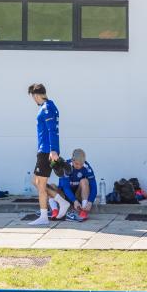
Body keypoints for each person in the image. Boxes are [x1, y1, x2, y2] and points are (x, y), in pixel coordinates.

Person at [27, 83, 61, 226]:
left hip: (46, 151)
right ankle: (61, 202)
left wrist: (53, 150)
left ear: (36, 95)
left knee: (40, 185)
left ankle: (43, 217)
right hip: (44, 149)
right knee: (35, 181)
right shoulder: (49, 106)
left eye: (32, 97)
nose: (33, 100)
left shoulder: (46, 109)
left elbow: (52, 130)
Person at [51, 148, 97, 222]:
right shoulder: (66, 166)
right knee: (51, 187)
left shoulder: (87, 167)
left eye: (81, 164)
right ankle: (54, 210)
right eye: (77, 164)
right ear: (72, 160)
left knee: (84, 181)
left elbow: (93, 186)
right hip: (64, 196)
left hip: (78, 195)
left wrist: (90, 201)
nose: (79, 166)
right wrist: (74, 201)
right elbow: (66, 187)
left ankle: (84, 209)